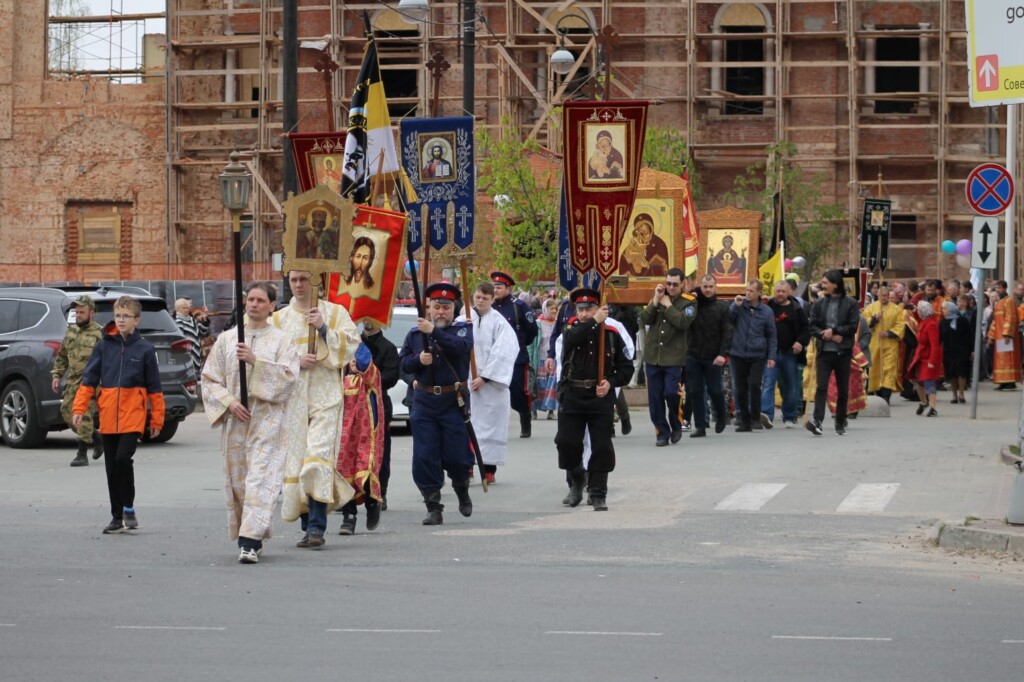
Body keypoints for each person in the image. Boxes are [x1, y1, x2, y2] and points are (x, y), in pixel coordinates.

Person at [201, 281, 299, 564]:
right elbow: (209, 378)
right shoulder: (228, 339)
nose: (254, 304)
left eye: (260, 301)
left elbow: (290, 379)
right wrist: (230, 402)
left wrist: (257, 362)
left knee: (261, 478)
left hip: (267, 420)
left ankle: (250, 542)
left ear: (271, 306)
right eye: (251, 300)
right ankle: (253, 530)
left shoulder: (282, 340)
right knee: (240, 482)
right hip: (236, 419)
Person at [270, 270, 360, 549]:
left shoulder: (334, 313)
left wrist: (323, 328)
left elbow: (351, 346)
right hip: (293, 400)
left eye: (303, 279)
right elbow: (268, 358)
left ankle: (318, 526)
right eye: (293, 280)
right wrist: (295, 360)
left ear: (316, 282)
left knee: (317, 458)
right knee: (297, 461)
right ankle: (307, 527)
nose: (298, 285)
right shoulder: (279, 319)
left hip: (326, 397)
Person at [72, 296, 164, 534]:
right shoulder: (104, 346)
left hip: (133, 415)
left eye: (126, 316)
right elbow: (89, 380)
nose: (121, 320)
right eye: (118, 315)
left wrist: (156, 419)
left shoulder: (145, 348)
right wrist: (79, 408)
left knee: (124, 459)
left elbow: (155, 388)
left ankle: (129, 506)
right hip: (108, 415)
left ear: (137, 320)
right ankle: (116, 517)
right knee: (111, 467)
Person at [399, 283, 474, 525]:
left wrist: (433, 332)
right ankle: (433, 505)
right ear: (428, 307)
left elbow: (460, 349)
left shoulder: (462, 330)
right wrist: (418, 361)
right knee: (425, 454)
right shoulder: (414, 335)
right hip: (425, 401)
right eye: (436, 307)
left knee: (458, 456)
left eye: (446, 307)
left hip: (453, 401)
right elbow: (403, 366)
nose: (441, 312)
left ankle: (461, 486)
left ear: (454, 309)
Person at [555, 288, 634, 511]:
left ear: (598, 308)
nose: (584, 313)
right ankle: (578, 478)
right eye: (580, 309)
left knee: (601, 446)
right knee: (566, 442)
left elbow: (625, 368)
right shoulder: (570, 331)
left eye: (589, 309)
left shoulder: (610, 334)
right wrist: (593, 322)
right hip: (573, 394)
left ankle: (598, 492)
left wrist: (610, 382)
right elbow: (572, 340)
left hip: (599, 397)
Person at [458, 282, 520, 486]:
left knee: (489, 427)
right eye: (478, 297)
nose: (481, 300)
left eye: (485, 298)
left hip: (491, 386)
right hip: (465, 381)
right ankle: (466, 466)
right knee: (466, 424)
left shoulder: (499, 322)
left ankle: (488, 469)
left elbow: (505, 350)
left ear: (492, 299)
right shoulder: (463, 320)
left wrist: (485, 377)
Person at [639, 268, 696, 445]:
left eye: (675, 284)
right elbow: (644, 319)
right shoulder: (658, 297)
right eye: (668, 283)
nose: (671, 287)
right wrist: (656, 300)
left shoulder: (689, 302)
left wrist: (668, 305)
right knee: (655, 398)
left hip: (673, 357)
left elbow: (682, 323)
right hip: (653, 356)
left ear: (683, 284)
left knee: (672, 393)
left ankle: (676, 424)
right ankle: (661, 433)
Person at [335, 343, 385, 535]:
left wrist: (353, 340)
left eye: (355, 358)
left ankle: (372, 501)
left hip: (365, 435)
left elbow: (365, 361)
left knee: (364, 470)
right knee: (343, 474)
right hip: (343, 435)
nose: (354, 362)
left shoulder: (371, 377)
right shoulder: (338, 379)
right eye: (350, 359)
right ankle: (349, 517)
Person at [806, 269, 861, 436]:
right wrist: (825, 334)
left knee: (842, 388)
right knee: (821, 387)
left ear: (835, 284)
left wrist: (837, 332)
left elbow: (853, 326)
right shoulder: (819, 304)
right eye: (822, 283)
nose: (822, 286)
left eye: (825, 283)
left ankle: (840, 420)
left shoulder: (851, 303)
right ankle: (817, 421)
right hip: (824, 352)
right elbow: (812, 326)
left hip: (843, 352)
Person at [52, 295, 104, 467]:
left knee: (84, 414)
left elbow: (107, 360)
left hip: (91, 381)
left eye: (82, 312)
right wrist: (57, 375)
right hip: (73, 380)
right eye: (76, 312)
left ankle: (82, 454)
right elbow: (62, 355)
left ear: (91, 313)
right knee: (67, 411)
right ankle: (96, 437)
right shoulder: (71, 331)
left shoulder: (99, 333)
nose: (78, 315)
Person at [490, 271, 538, 438]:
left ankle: (525, 419)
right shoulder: (488, 307)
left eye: (499, 287)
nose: (495, 290)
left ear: (508, 289)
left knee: (518, 391)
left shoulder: (519, 306)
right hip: (493, 358)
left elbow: (532, 330)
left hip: (516, 357)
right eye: (494, 287)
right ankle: (495, 428)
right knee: (493, 393)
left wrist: (520, 345)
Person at [359, 318, 400, 510]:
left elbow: (391, 376)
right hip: (355, 403)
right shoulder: (354, 344)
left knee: (380, 451)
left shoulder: (388, 348)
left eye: (372, 317)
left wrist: (368, 381)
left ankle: (380, 492)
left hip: (379, 402)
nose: (368, 321)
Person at [685, 275, 732, 438]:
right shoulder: (693, 304)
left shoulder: (722, 307)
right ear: (700, 287)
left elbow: (727, 332)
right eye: (704, 286)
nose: (708, 290)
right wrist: (693, 294)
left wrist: (722, 354)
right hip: (693, 354)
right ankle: (700, 426)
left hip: (713, 356)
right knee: (695, 391)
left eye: (710, 286)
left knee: (715, 390)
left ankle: (721, 415)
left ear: (715, 287)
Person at [728, 280, 777, 432]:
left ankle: (755, 417)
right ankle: (744, 420)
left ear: (759, 293)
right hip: (738, 353)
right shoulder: (740, 306)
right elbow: (729, 318)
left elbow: (771, 335)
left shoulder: (767, 311)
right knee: (739, 388)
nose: (747, 293)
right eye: (747, 290)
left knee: (755, 385)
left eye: (751, 291)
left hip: (757, 354)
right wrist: (735, 305)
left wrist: (771, 356)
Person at [762, 279, 809, 427]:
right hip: (771, 353)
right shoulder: (767, 307)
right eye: (778, 291)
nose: (780, 294)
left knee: (791, 385)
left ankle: (789, 415)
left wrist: (800, 342)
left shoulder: (796, 309)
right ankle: (766, 415)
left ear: (789, 292)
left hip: (789, 353)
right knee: (768, 383)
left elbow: (805, 329)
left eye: (783, 291)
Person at [861, 285, 905, 403]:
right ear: (877, 295)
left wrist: (889, 333)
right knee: (875, 368)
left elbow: (900, 325)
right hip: (875, 343)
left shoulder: (896, 309)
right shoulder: (871, 307)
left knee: (889, 369)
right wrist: (875, 318)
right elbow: (864, 322)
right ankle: (875, 391)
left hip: (890, 345)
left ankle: (886, 395)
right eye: (881, 295)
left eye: (886, 295)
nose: (884, 298)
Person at [909, 300, 942, 417]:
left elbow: (934, 345)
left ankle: (933, 408)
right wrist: (913, 310)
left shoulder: (931, 325)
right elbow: (917, 320)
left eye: (919, 310)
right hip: (920, 357)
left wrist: (932, 361)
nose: (918, 311)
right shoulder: (924, 322)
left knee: (929, 382)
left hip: (928, 359)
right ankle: (923, 402)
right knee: (917, 381)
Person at [987, 279, 1021, 390]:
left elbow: (1010, 318)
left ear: (1005, 288)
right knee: (1000, 360)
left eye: (1000, 288)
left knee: (1008, 359)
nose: (998, 290)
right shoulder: (999, 303)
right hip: (998, 337)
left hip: (1006, 337)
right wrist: (990, 337)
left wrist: (1007, 334)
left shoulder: (1009, 301)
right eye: (996, 288)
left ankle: (1010, 382)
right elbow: (995, 322)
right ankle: (1002, 381)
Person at [940, 299, 973, 405]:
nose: (943, 311)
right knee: (951, 373)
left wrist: (972, 350)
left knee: (962, 372)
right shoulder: (943, 322)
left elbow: (969, 336)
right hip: (948, 351)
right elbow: (939, 338)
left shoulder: (962, 321)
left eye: (944, 309)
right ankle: (954, 394)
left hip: (962, 350)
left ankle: (961, 393)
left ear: (951, 309)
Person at [533, 297, 560, 420]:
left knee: (552, 387)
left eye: (555, 308)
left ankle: (550, 411)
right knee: (539, 386)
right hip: (540, 358)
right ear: (545, 309)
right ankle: (533, 410)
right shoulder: (538, 324)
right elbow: (533, 343)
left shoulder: (558, 323)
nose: (554, 311)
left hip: (553, 359)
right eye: (551, 308)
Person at [174, 297, 210, 377]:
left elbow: (203, 331)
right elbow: (179, 340)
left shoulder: (192, 320)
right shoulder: (178, 322)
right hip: (186, 354)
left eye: (187, 308)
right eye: (184, 308)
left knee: (196, 375)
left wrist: (205, 319)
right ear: (178, 309)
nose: (187, 310)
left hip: (197, 352)